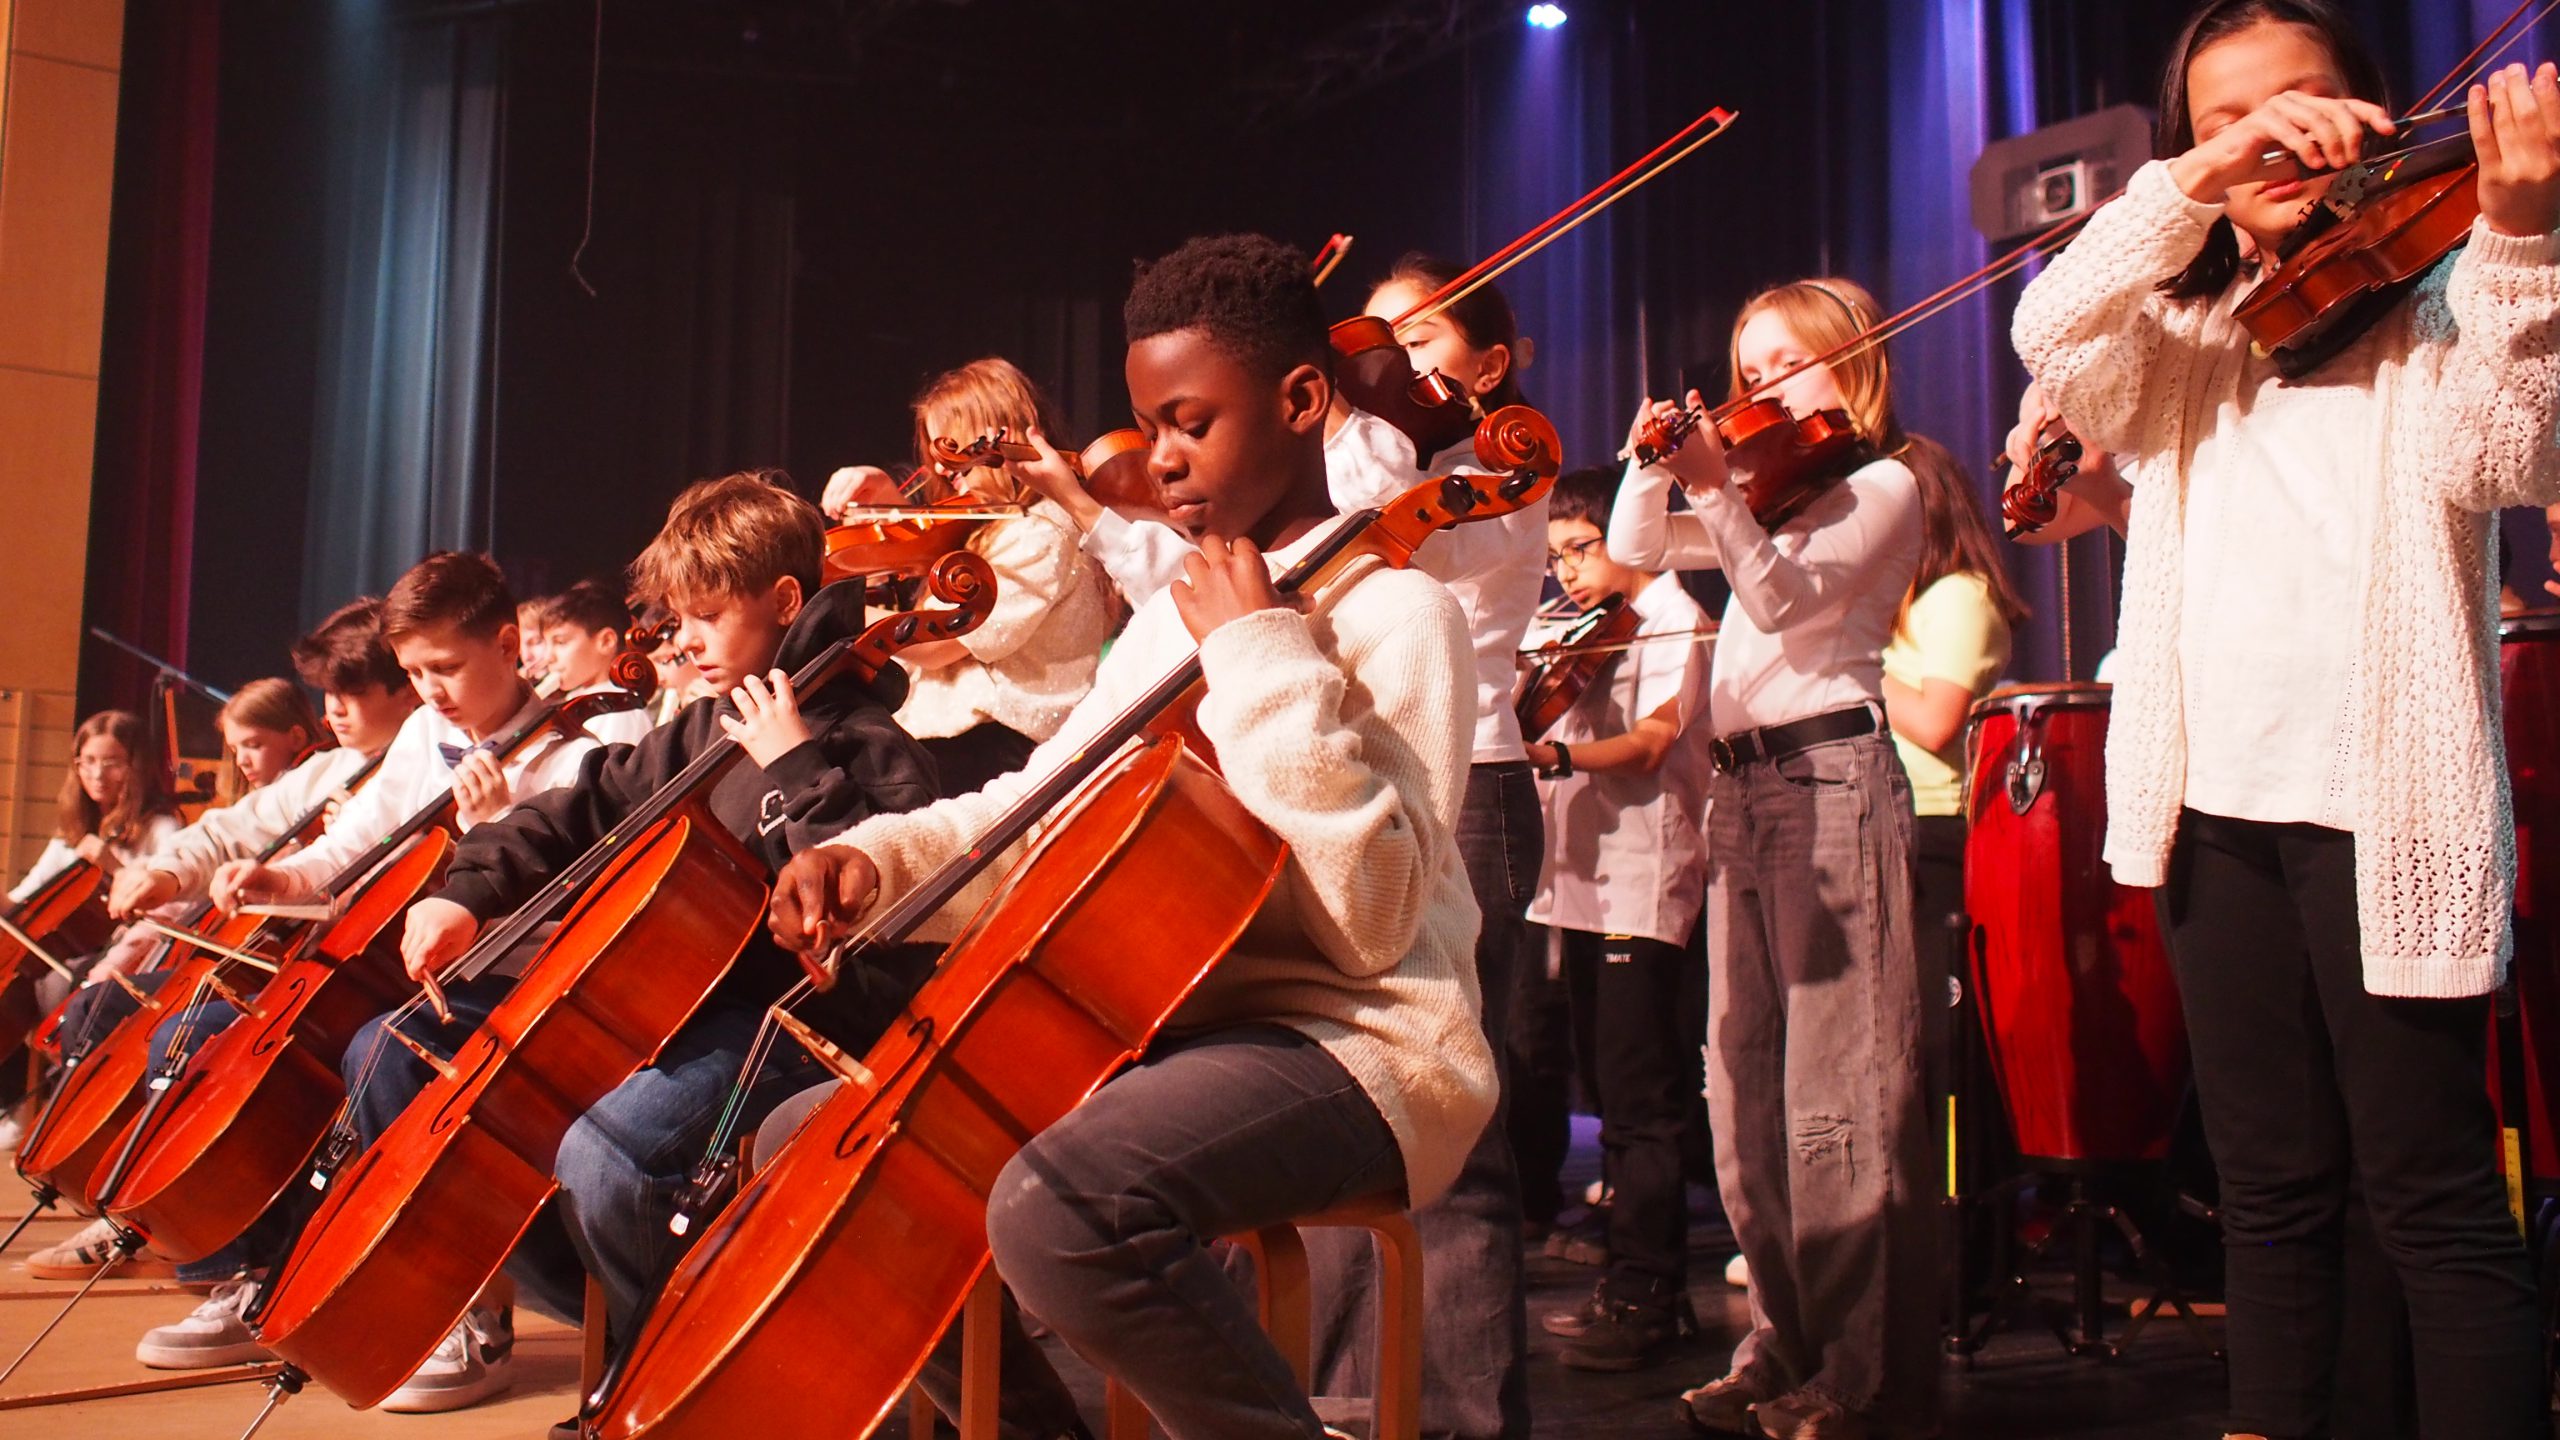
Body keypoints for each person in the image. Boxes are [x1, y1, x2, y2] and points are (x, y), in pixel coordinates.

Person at [769, 232, 1498, 1440]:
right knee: (818, 1146)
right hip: (1169, 1025)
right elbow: (1038, 802)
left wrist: (1259, 653)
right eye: (1150, 425)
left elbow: (1372, 918)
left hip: (1359, 1042)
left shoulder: (1399, 611)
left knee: (1065, 1207)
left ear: (1300, 401)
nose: (1158, 459)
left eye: (1189, 424)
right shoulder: (1169, 621)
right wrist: (876, 859)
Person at [2010, 3, 2560, 1435]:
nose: (2269, 142)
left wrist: (2519, 236)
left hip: (2388, 807)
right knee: (2268, 1195)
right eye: (2226, 122)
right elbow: (2048, 330)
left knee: (2433, 1201)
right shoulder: (2186, 332)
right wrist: (2188, 183)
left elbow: (2510, 454)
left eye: (2297, 105)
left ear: (2369, 110)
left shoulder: (2447, 290)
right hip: (2212, 810)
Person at [381, 472, 954, 1425]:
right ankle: (658, 1357)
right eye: (678, 617)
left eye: (706, 615)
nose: (682, 640)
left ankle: (695, 1381)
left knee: (610, 1160)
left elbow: (881, 925)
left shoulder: (868, 742)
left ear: (784, 603)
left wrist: (797, 767)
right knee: (490, 1133)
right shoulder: (699, 729)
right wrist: (463, 892)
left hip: (798, 1029)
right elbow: (574, 807)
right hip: (687, 1018)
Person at [133, 552, 613, 1400]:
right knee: (221, 1038)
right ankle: (259, 1271)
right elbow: (357, 841)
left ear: (509, 646)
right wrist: (284, 877)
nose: (429, 691)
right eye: (414, 672)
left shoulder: (584, 749)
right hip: (405, 969)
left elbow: (587, 909)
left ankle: (467, 1309)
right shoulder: (425, 735)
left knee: (385, 1052)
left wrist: (495, 830)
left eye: (445, 667)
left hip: (517, 982)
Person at [1610, 276, 1935, 1438]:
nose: (1759, 390)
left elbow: (1786, 605)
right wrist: (1650, 464)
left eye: (1785, 364)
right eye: (1747, 372)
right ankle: (1780, 1349)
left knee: (1839, 1097)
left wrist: (1715, 489)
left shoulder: (1884, 484)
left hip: (1829, 781)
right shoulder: (1765, 496)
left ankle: (1865, 1381)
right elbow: (1631, 548)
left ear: (1851, 365)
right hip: (1742, 794)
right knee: (1742, 1094)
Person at [1516, 465, 1713, 1372]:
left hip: (1642, 877)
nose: (1567, 571)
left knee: (1640, 1101)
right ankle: (1631, 1282)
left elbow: (1653, 742)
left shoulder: (1671, 617)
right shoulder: (1573, 628)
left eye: (1582, 549)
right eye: (1555, 556)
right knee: (1606, 1091)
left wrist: (1555, 755)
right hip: (1579, 888)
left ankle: (1651, 1294)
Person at [886, 359, 1116, 794]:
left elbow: (935, 644)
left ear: (997, 437)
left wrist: (840, 617)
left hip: (996, 749)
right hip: (962, 745)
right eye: (936, 453)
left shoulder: (1040, 531)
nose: (941, 469)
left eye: (950, 447)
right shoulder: (995, 528)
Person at [538, 579, 657, 746]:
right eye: (546, 643)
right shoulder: (577, 700)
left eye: (560, 642)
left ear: (606, 641)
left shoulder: (620, 714)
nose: (548, 657)